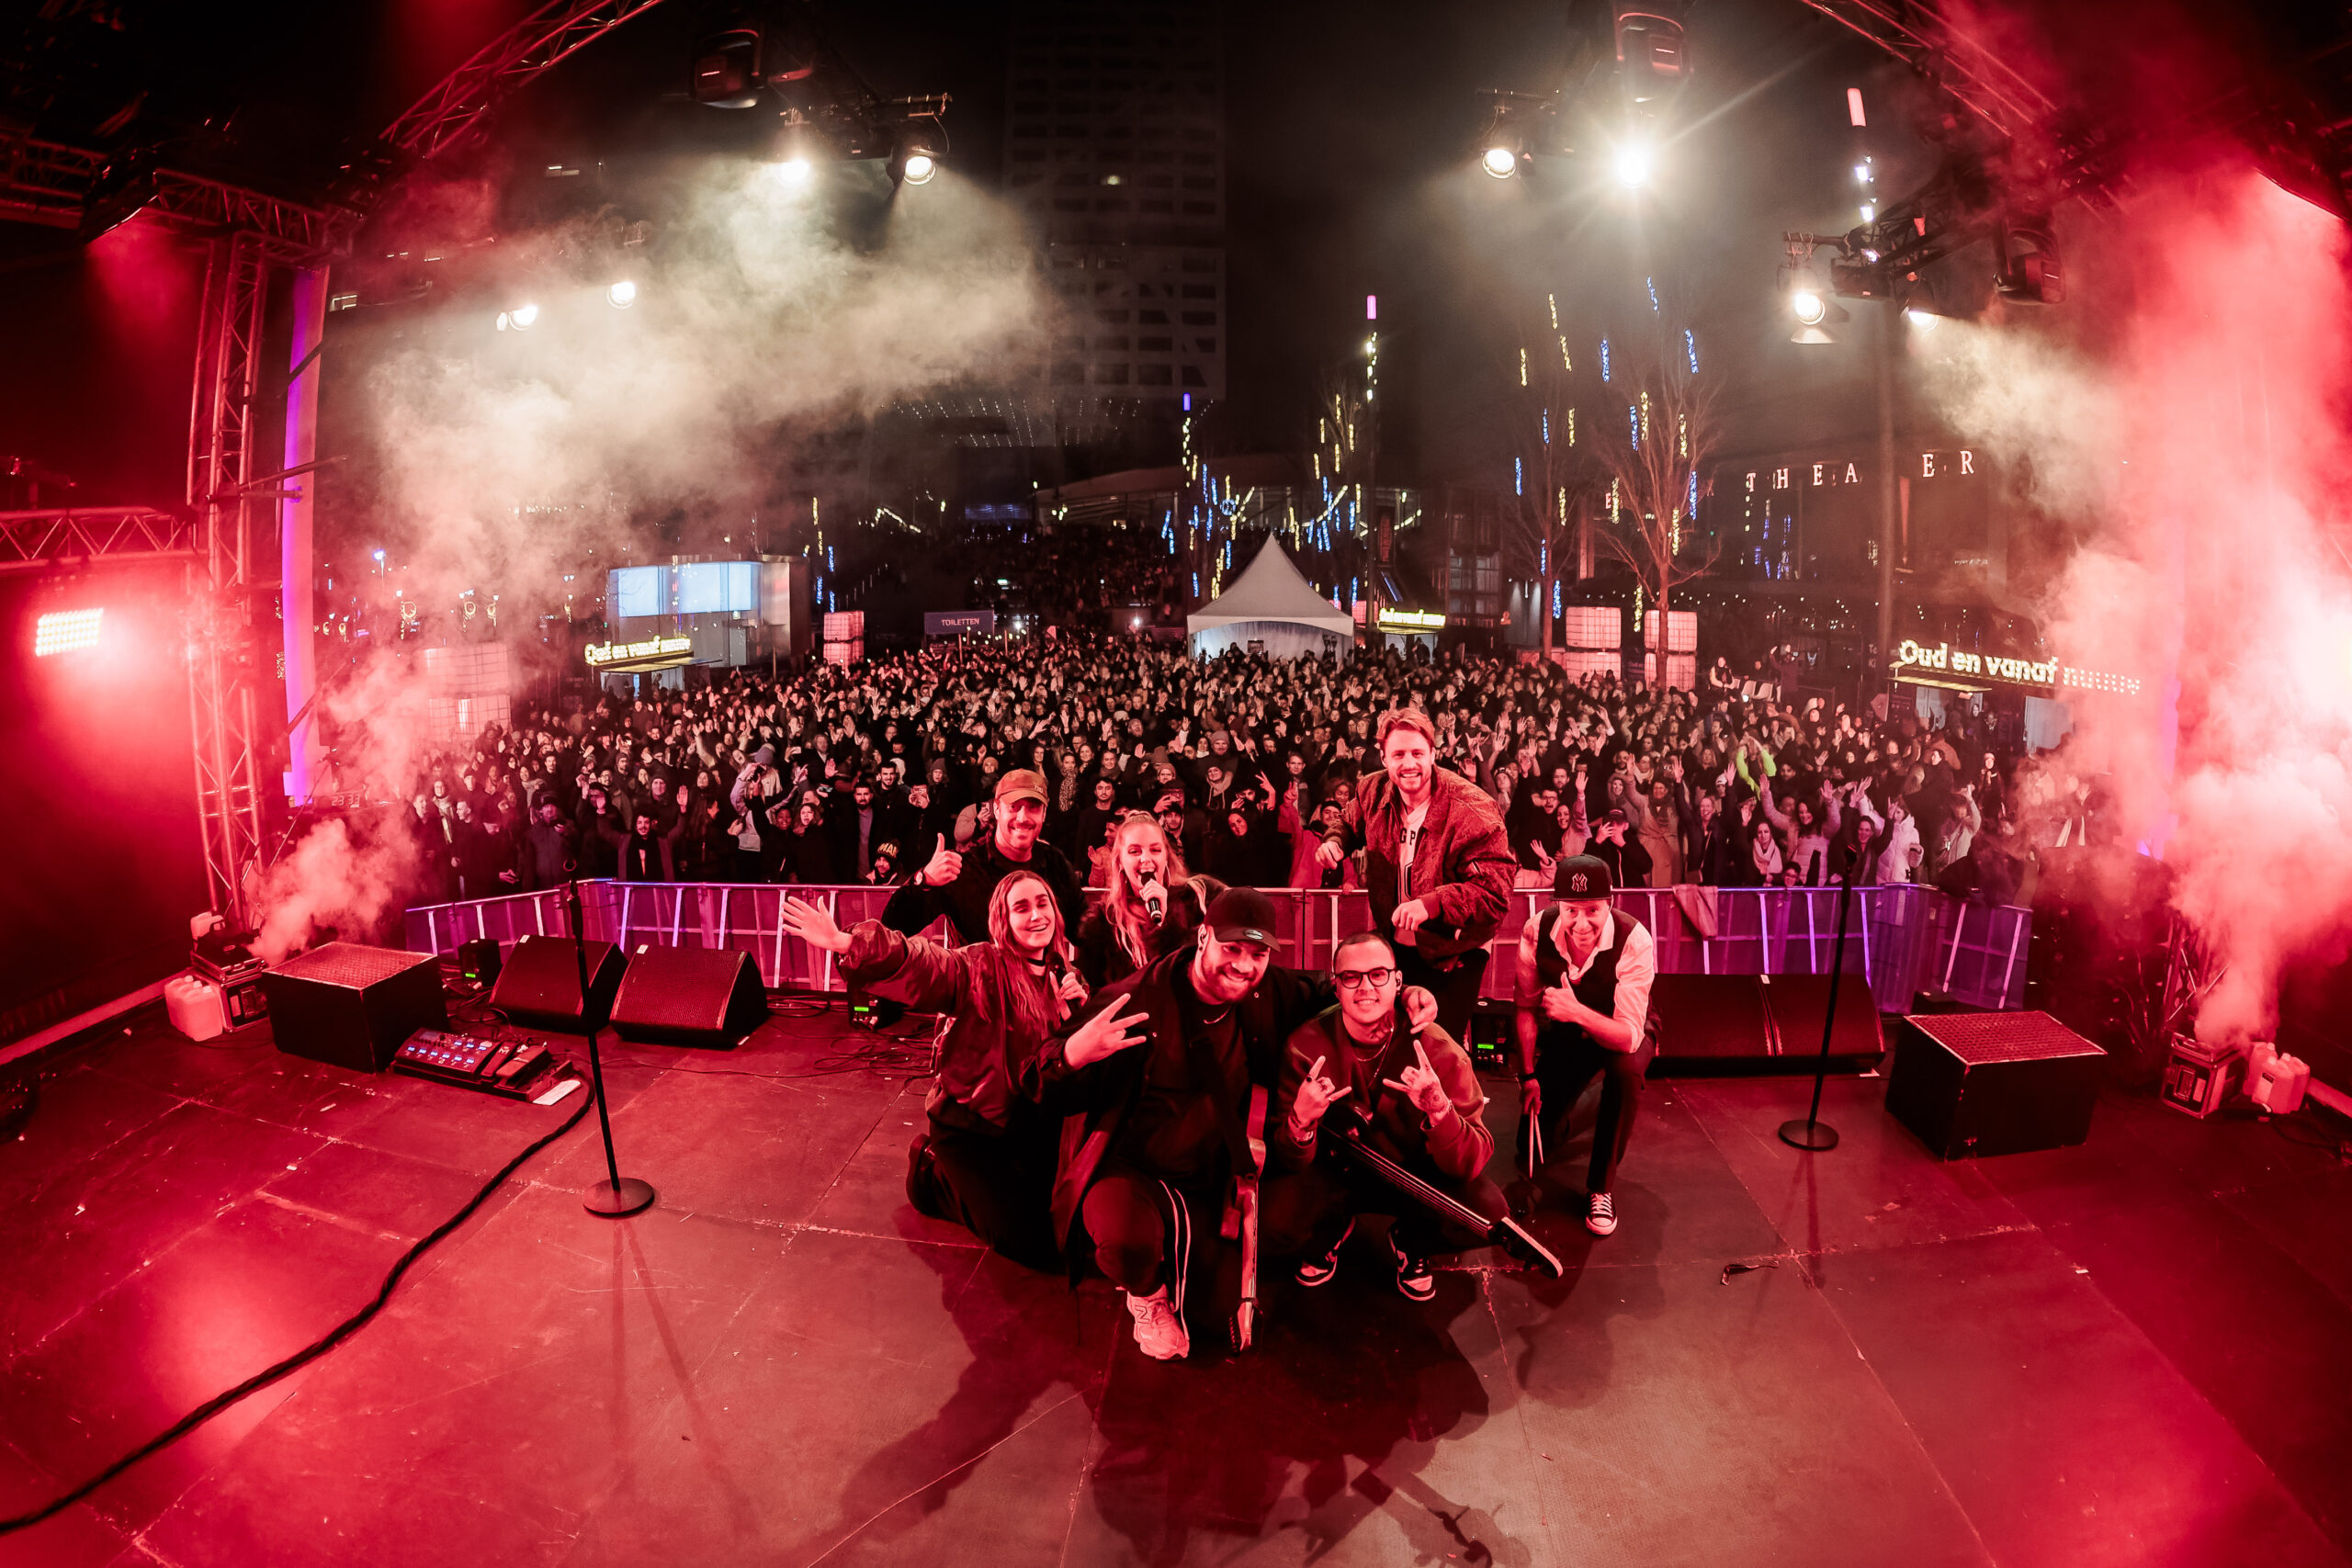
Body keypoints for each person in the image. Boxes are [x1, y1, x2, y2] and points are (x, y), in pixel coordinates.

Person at [1024, 886, 1439, 1360]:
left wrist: (1405, 994)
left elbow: (1333, 988)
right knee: (1126, 1244)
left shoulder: (1265, 990)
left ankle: (1181, 1256)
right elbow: (1036, 1078)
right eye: (1232, 948)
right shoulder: (1137, 998)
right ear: (1203, 937)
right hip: (1133, 1169)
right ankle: (1147, 1294)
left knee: (1223, 1318)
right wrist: (1072, 1053)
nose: (1244, 964)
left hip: (1211, 1177)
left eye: (1258, 953)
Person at [780, 873, 1082, 1269]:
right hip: (971, 1127)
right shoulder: (981, 966)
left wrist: (1076, 1016)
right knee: (1034, 1245)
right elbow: (924, 963)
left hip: (1026, 1122)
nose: (1036, 916)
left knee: (1069, 1222)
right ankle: (934, 1179)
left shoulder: (1065, 975)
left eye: (1042, 904)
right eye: (1021, 908)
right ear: (1003, 920)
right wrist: (849, 944)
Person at [1263, 931, 1503, 1301]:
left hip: (1413, 1177)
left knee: (1488, 1213)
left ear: (1398, 981)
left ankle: (1411, 1240)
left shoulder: (1439, 1050)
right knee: (1273, 1220)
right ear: (1336, 987)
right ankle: (1331, 1230)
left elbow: (1472, 1161)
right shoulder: (1305, 1047)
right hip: (1335, 1176)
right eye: (1351, 977)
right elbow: (1287, 1157)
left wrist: (1439, 1110)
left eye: (1378, 975)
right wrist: (1300, 1121)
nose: (1365, 988)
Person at [1314, 709, 1516, 1043]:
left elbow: (1494, 895)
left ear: (1433, 754)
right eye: (1398, 754)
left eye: (1417, 753)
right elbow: (1348, 822)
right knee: (1388, 1040)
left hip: (1455, 950)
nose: (1409, 764)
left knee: (1436, 1047)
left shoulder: (1474, 808)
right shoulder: (1371, 789)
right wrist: (1335, 842)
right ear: (1384, 758)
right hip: (1395, 943)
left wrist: (1433, 904)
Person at [1513, 854, 1657, 1238]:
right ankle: (1595, 1104)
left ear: (1610, 903)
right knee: (1528, 1147)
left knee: (1623, 1074)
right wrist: (1528, 1076)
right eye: (1571, 910)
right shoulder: (1536, 930)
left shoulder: (1634, 939)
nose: (1581, 923)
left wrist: (1576, 1012)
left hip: (1626, 1029)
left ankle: (1601, 1188)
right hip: (1569, 1025)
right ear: (1558, 905)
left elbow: (1628, 1036)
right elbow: (1524, 1007)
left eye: (1592, 910)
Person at [885, 768, 1085, 942]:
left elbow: (1084, 933)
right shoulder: (963, 867)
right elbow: (893, 927)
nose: (1023, 817)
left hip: (1038, 975)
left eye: (1033, 807)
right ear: (996, 809)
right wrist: (924, 881)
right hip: (978, 975)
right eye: (1014, 807)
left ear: (1044, 813)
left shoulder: (1055, 864)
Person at [1072, 812, 1218, 988]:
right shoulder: (1104, 923)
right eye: (1135, 851)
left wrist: (1166, 923)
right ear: (1120, 861)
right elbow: (1095, 989)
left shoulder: (1200, 898)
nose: (1146, 859)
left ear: (1166, 856)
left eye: (1155, 850)